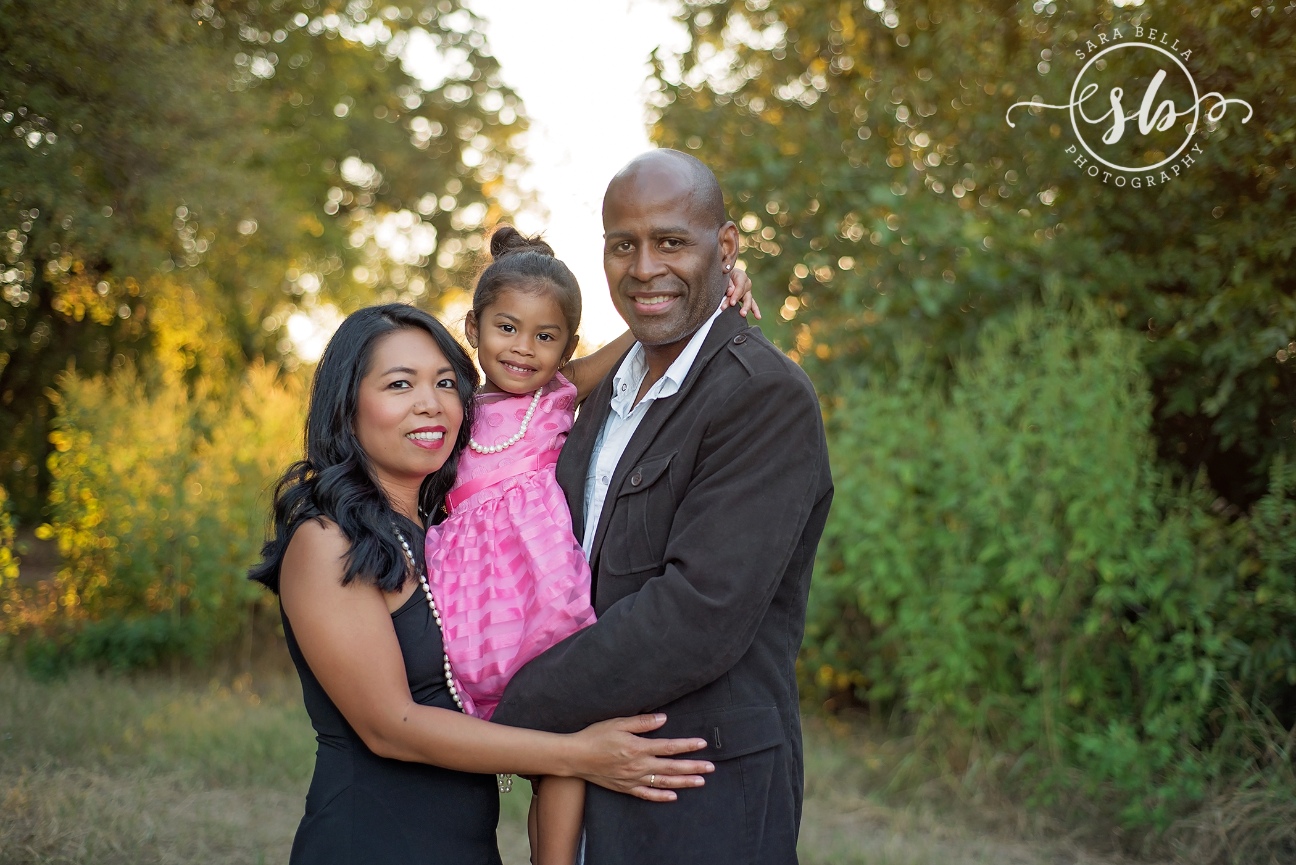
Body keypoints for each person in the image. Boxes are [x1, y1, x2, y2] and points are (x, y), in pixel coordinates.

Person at [248, 304, 719, 865]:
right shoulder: (328, 539)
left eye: (446, 382)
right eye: (400, 384)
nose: (431, 402)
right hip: (367, 844)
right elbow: (390, 727)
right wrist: (578, 755)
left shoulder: (451, 542)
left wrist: (704, 307)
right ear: (347, 407)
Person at [490, 150, 834, 864]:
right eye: (624, 244)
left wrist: (504, 710)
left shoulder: (761, 395)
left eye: (672, 241)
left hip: (696, 797)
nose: (644, 267)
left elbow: (698, 614)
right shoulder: (598, 392)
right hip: (584, 786)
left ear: (726, 247)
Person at [425, 225, 758, 865]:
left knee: (565, 741)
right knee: (466, 747)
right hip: (468, 605)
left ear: (567, 346)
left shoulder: (559, 395)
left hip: (542, 598)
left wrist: (714, 295)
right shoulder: (453, 406)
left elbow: (645, 327)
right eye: (506, 329)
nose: (523, 350)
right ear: (472, 328)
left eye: (545, 337)